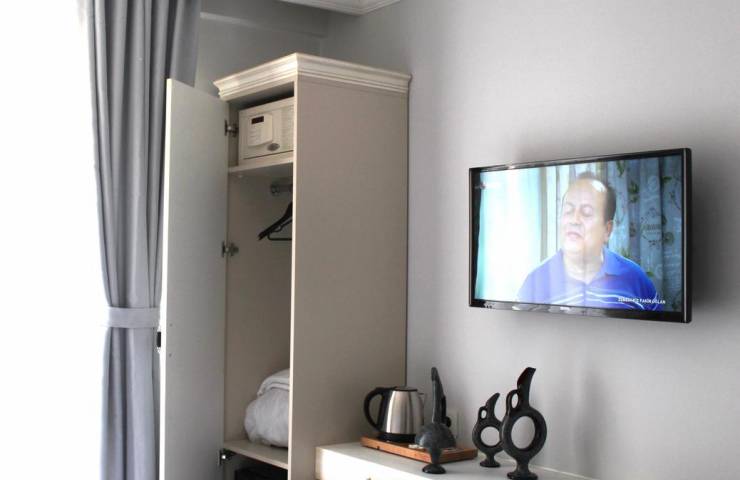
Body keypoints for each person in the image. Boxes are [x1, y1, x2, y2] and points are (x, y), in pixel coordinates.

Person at [517, 172, 663, 310]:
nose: (574, 220)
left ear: (607, 230)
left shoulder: (636, 278)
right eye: (568, 211)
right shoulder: (535, 283)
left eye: (586, 213)